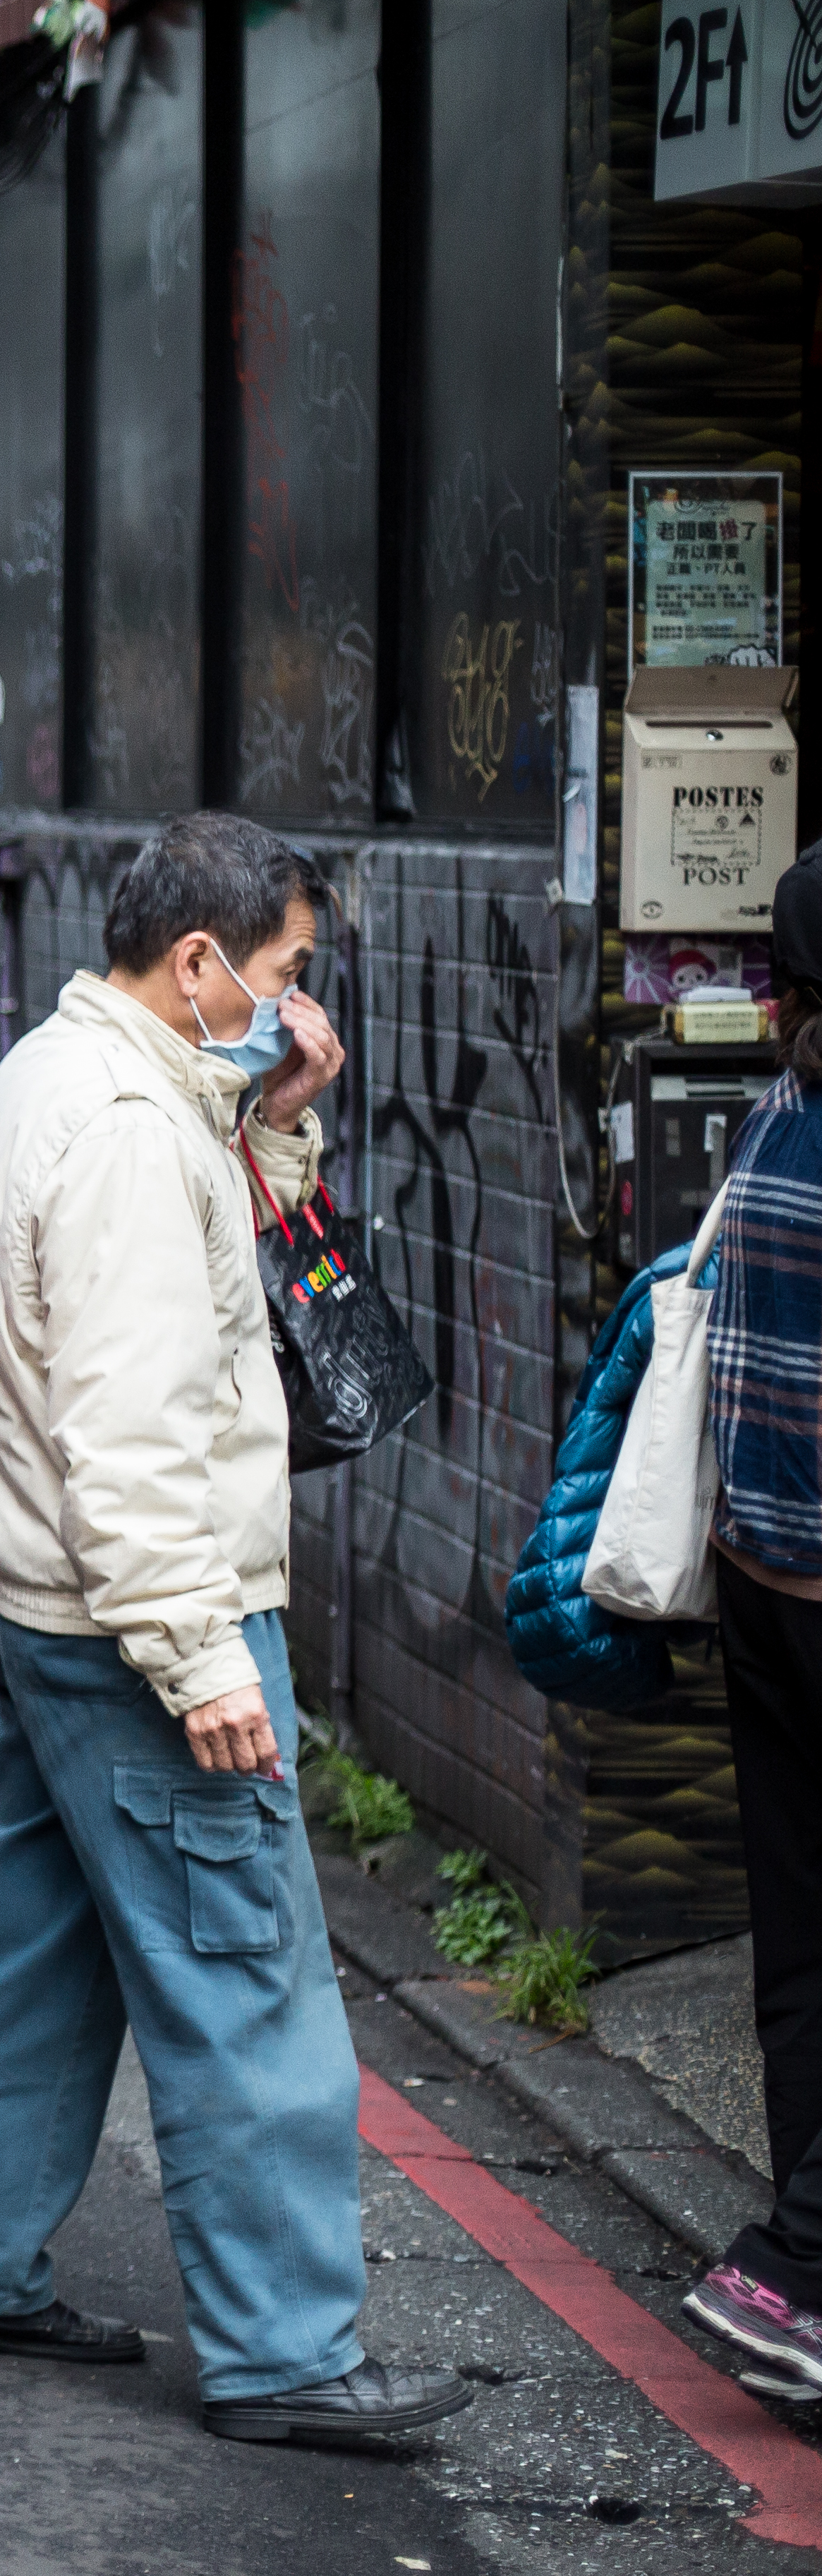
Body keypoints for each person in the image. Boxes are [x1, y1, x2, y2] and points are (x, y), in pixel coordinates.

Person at [0, 811, 469, 2446]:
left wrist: (271, 1117)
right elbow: (133, 1427)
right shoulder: (131, 1138)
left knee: (38, 1951)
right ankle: (284, 2349)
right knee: (246, 1980)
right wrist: (201, 1653)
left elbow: (195, 1282)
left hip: (41, 1613)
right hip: (139, 1623)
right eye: (281, 973)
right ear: (199, 959)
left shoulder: (66, 1072)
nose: (294, 1007)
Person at [689, 845, 822, 2397]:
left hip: (762, 1587)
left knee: (799, 1945)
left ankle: (795, 2262)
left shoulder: (770, 1122)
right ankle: (800, 2263)